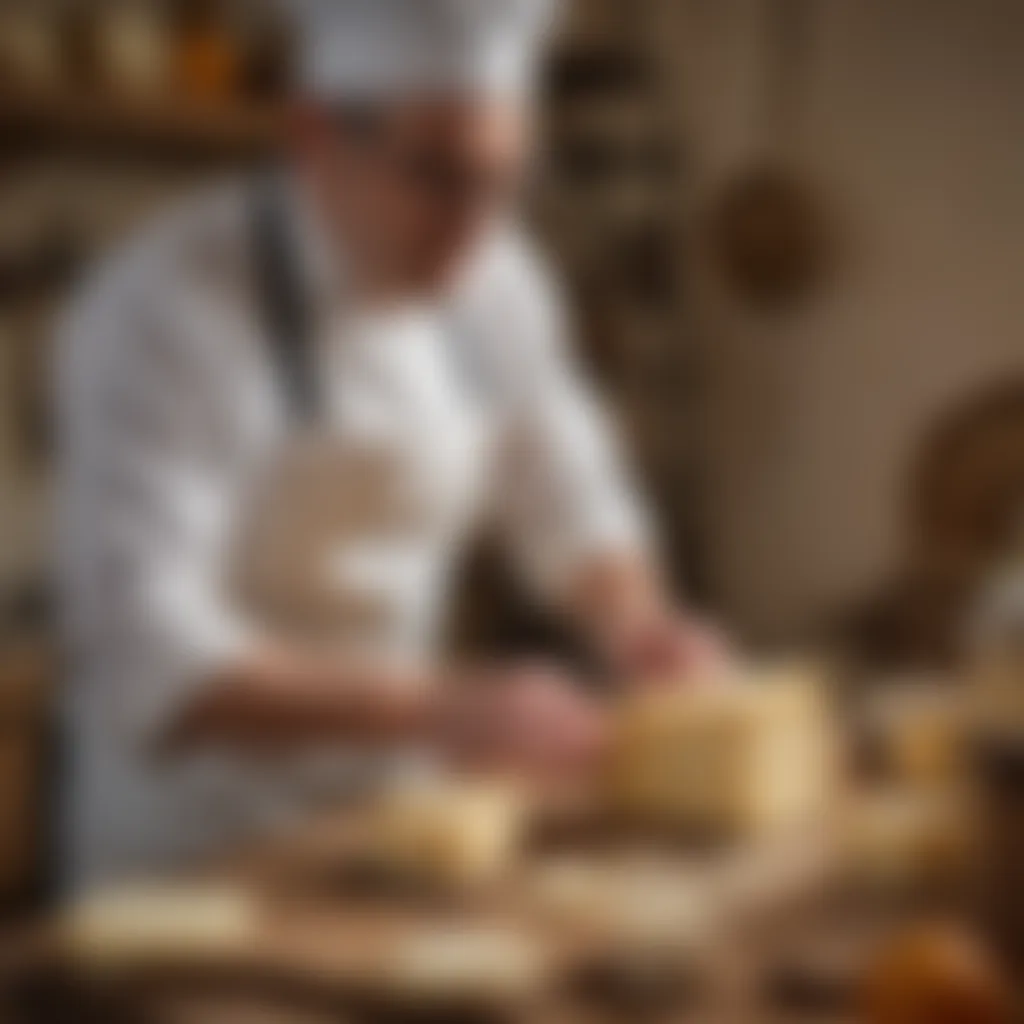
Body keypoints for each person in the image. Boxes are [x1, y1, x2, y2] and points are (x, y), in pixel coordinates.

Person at [54, 0, 727, 891]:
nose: (473, 228)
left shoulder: (499, 281)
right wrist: (440, 707)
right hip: (188, 853)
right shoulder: (163, 309)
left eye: (505, 182)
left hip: (387, 826)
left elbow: (571, 496)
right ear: (314, 135)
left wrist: (637, 626)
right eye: (438, 177)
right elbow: (146, 651)